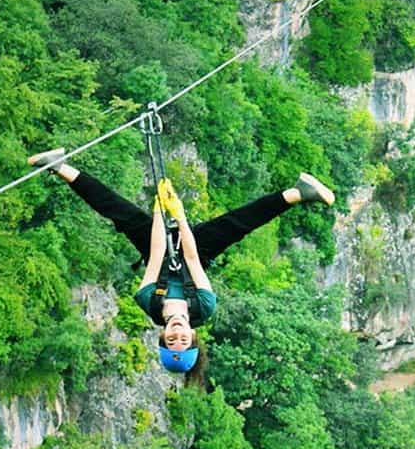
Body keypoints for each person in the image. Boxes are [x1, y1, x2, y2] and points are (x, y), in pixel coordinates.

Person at [27, 148, 334, 374]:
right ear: (193, 336)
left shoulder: (149, 302)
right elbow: (190, 256)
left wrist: (161, 209)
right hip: (195, 252)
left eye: (170, 340)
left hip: (157, 250)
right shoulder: (204, 306)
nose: (176, 334)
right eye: (182, 340)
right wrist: (179, 213)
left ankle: (58, 167)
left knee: (118, 211)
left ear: (161, 336)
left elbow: (157, 252)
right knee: (237, 224)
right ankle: (298, 193)